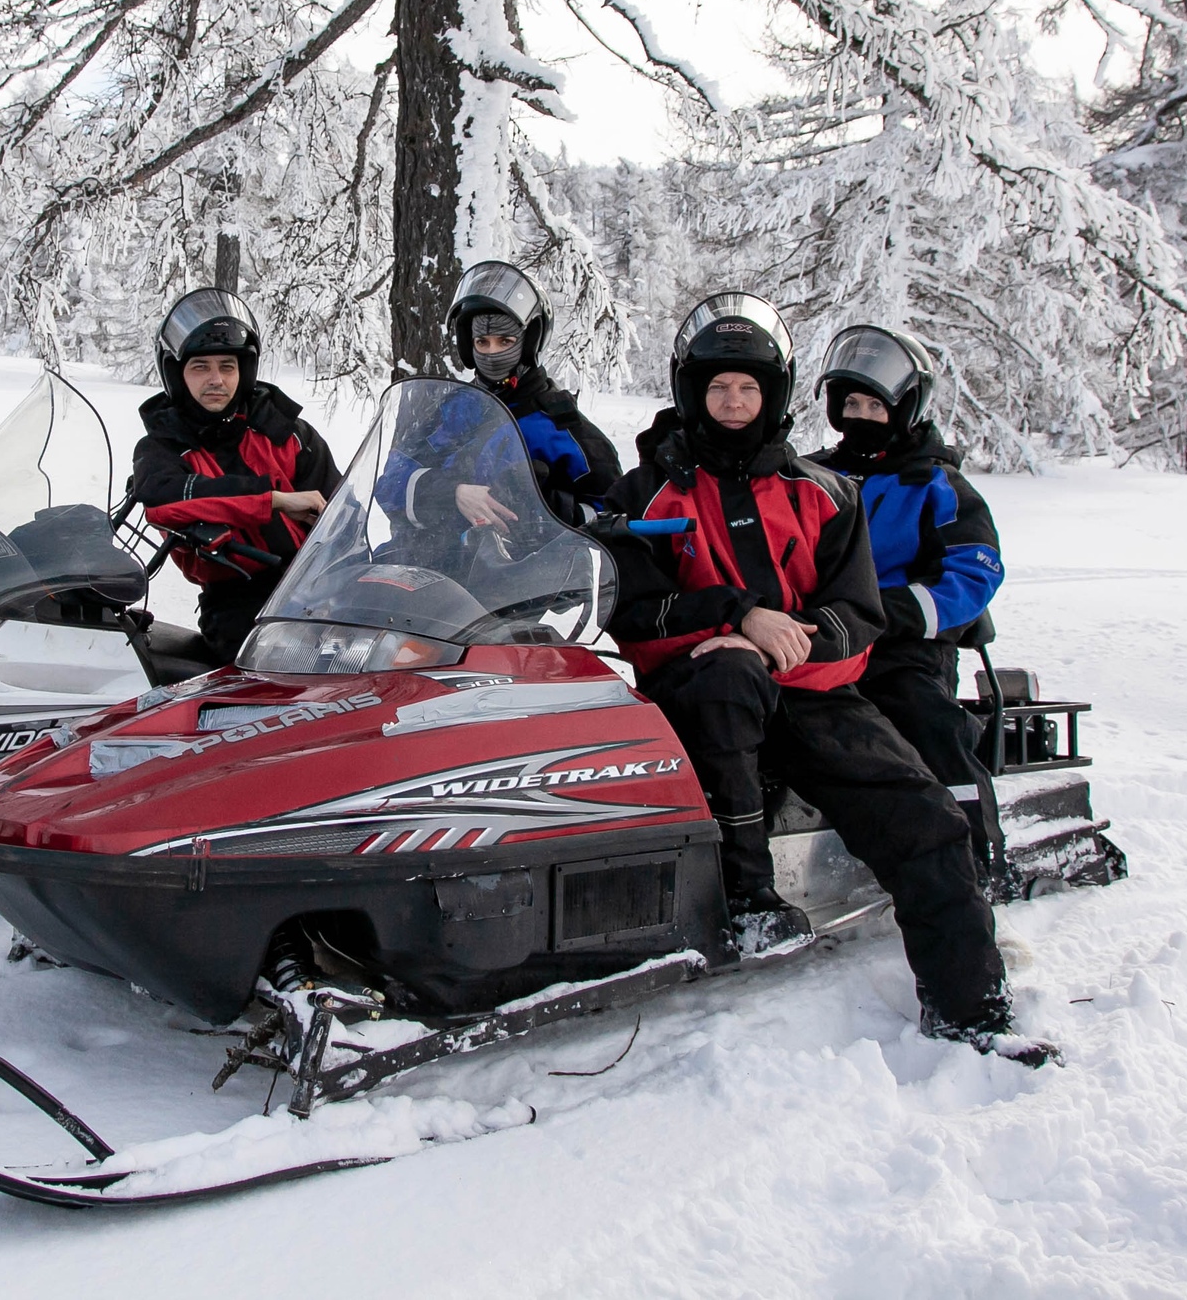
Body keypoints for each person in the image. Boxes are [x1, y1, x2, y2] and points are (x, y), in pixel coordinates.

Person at [603, 293, 1047, 1063]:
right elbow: (629, 603)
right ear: (691, 392)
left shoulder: (825, 493)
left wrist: (788, 642)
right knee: (728, 679)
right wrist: (733, 621)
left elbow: (859, 613)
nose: (734, 402)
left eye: (748, 387)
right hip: (693, 694)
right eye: (718, 388)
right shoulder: (646, 491)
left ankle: (972, 1011)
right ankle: (745, 898)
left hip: (811, 690)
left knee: (926, 818)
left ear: (773, 393)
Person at [807, 325, 1010, 893]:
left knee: (926, 721)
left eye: (876, 404)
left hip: (906, 645)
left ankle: (978, 859)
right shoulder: (812, 473)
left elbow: (976, 571)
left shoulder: (936, 483)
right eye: (851, 402)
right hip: (821, 636)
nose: (862, 414)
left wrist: (895, 611)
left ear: (906, 408)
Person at [127, 288, 342, 665]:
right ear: (177, 373)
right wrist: (273, 500)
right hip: (237, 602)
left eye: (227, 366)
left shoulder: (286, 432)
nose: (216, 379)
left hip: (317, 589)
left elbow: (343, 510)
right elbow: (165, 501)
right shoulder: (162, 447)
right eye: (201, 367)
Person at [376, 262, 621, 536]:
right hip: (435, 562)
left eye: (505, 341)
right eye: (482, 342)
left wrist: (545, 510)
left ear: (528, 343)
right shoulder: (453, 410)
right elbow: (391, 483)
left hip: (523, 570)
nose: (492, 353)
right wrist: (451, 493)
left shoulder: (561, 427)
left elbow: (613, 511)